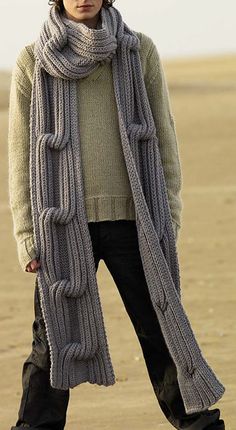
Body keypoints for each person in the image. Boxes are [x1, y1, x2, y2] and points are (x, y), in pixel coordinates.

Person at [8, 1, 225, 429]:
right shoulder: (33, 59)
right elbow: (20, 157)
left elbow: (163, 137)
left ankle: (198, 424)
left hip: (135, 222)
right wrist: (26, 233)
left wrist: (171, 215)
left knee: (161, 329)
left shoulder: (137, 51)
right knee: (51, 340)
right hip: (60, 226)